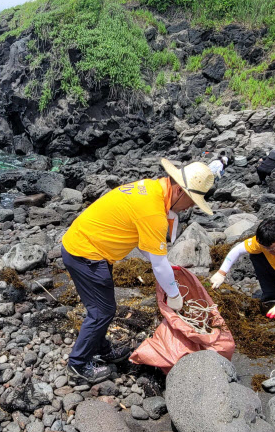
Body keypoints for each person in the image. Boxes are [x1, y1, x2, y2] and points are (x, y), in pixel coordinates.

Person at [61, 159, 215, 383]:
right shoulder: (153, 211)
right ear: (180, 190)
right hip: (86, 253)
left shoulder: (151, 188)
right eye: (192, 201)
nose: (190, 207)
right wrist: (174, 295)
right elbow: (159, 264)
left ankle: (101, 348)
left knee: (100, 307)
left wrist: (161, 264)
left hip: (85, 245)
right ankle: (78, 365)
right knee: (102, 311)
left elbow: (146, 245)